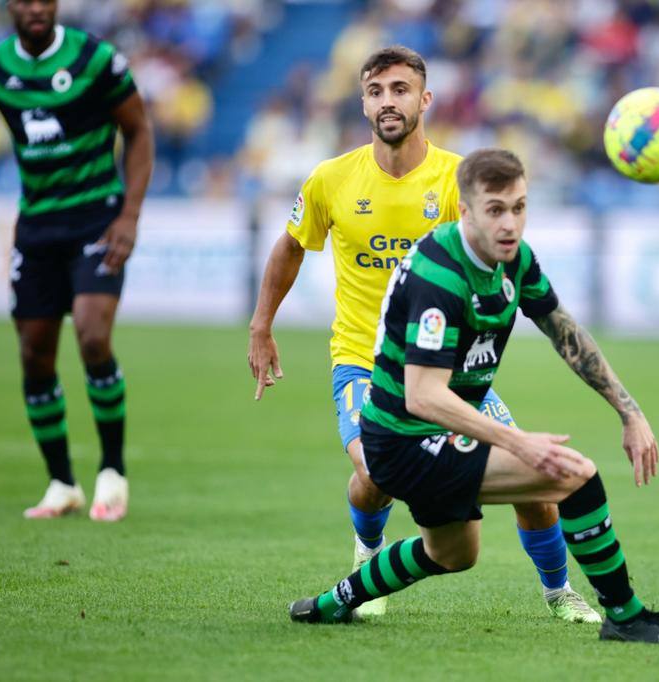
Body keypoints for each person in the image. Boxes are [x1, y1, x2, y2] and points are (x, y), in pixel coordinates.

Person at [289, 148, 659, 645]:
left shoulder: (516, 259)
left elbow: (564, 333)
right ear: (465, 211)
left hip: (435, 430)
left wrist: (629, 413)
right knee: (572, 476)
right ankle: (627, 616)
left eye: (520, 207)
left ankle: (332, 604)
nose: (510, 223)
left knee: (452, 553)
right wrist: (518, 442)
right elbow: (423, 398)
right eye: (495, 209)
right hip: (402, 439)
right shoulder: (438, 274)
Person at [248, 46, 599, 622]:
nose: (389, 101)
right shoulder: (330, 180)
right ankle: (368, 564)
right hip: (364, 363)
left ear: (424, 99)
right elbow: (290, 245)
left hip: (451, 374)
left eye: (401, 89)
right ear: (363, 103)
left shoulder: (459, 180)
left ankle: (560, 593)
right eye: (377, 91)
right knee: (373, 477)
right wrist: (262, 324)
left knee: (537, 487)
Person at [0, 0, 154, 521]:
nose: (35, 8)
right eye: (24, 0)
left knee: (91, 334)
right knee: (35, 352)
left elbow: (140, 132)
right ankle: (62, 483)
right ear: (9, 7)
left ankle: (111, 471)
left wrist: (128, 215)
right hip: (36, 230)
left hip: (97, 221)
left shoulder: (96, 59)